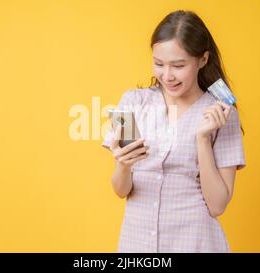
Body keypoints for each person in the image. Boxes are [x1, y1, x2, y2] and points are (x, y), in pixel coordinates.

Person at [102, 10, 246, 253]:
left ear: (202, 59)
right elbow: (121, 190)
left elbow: (217, 205)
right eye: (159, 64)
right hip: (136, 245)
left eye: (178, 65)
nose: (167, 76)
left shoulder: (222, 113)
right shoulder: (133, 102)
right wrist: (123, 165)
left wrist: (202, 139)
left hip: (195, 242)